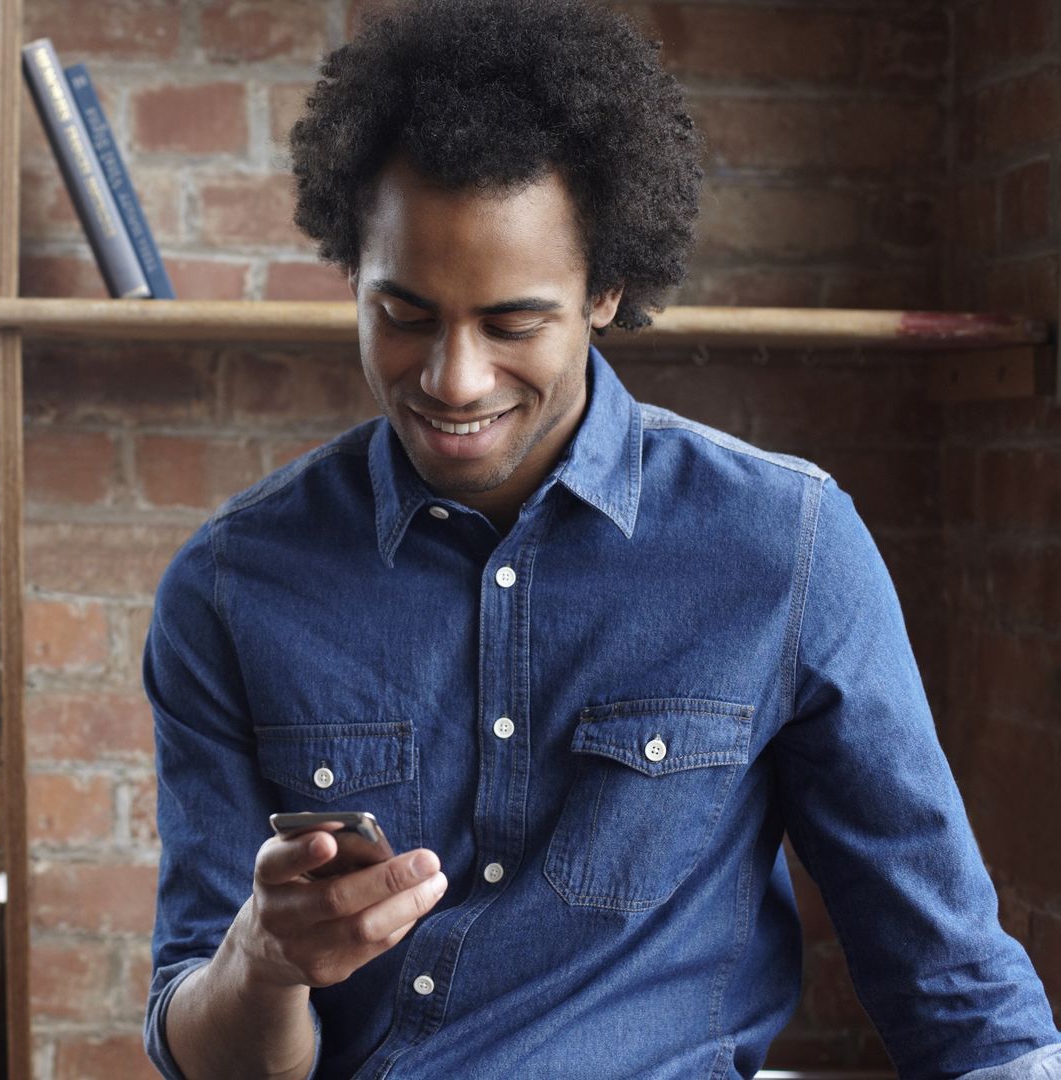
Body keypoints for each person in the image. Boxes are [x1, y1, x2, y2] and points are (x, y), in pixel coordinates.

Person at [138, 2, 1061, 1077]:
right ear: (352, 273)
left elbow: (953, 990)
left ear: (607, 291)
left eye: (513, 323)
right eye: (405, 314)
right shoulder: (230, 587)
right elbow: (209, 1052)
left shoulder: (787, 549)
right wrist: (264, 960)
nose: (453, 379)